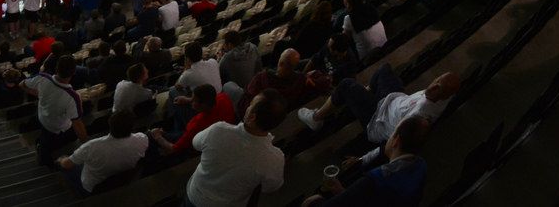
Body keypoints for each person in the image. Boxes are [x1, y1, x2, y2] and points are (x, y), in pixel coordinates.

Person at [297, 67, 460, 150]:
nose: (434, 82)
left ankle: (316, 118)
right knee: (384, 69)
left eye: (437, 84)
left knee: (346, 84)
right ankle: (366, 94)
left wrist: (364, 159)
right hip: (394, 100)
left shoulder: (417, 116)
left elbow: (394, 143)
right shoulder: (446, 96)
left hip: (378, 118)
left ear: (439, 90)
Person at [183, 92, 288, 207]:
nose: (248, 107)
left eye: (251, 105)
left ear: (252, 117)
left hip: (196, 197)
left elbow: (195, 143)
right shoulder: (275, 158)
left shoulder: (218, 130)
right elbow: (270, 187)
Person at [301, 114, 432, 206]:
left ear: (396, 141)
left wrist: (315, 202)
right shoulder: (421, 166)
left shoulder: (376, 179)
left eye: (393, 133)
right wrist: (345, 193)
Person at [60, 109, 148, 195]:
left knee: (64, 163)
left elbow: (67, 164)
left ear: (110, 123)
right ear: (132, 126)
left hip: (91, 187)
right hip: (119, 180)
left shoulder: (92, 146)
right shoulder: (142, 139)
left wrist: (61, 160)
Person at [25, 55, 86, 167]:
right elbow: (77, 123)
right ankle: (45, 159)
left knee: (46, 143)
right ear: (73, 73)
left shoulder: (42, 77)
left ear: (56, 69)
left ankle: (43, 156)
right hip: (58, 127)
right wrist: (87, 146)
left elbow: (22, 84)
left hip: (43, 118)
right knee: (51, 144)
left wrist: (38, 93)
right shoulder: (73, 97)